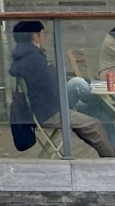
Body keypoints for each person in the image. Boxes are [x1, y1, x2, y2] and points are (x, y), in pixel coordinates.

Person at [9, 20, 115, 157]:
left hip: (43, 107)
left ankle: (106, 113)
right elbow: (50, 88)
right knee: (94, 124)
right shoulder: (34, 59)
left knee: (91, 106)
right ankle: (111, 161)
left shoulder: (22, 57)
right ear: (35, 36)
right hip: (48, 112)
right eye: (43, 34)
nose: (44, 38)